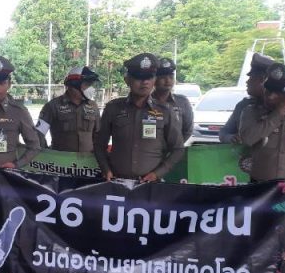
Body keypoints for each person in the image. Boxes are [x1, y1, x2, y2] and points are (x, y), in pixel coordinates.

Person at [94, 53, 184, 182]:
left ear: (154, 80)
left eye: (149, 77)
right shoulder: (113, 108)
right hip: (117, 182)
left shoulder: (165, 111)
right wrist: (105, 169)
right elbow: (99, 145)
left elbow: (178, 149)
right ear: (127, 80)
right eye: (139, 77)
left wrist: (158, 173)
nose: (145, 82)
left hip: (151, 185)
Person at [36, 67, 101, 153]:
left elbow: (99, 135)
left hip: (87, 160)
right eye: (87, 84)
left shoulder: (93, 106)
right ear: (74, 84)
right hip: (61, 160)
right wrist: (47, 153)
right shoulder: (52, 106)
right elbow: (38, 133)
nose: (91, 88)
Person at [220, 52, 275, 143]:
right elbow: (224, 132)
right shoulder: (243, 105)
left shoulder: (281, 107)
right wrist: (231, 138)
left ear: (263, 80)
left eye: (251, 78)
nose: (247, 82)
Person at [152, 58, 193, 142]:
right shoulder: (145, 101)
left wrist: (176, 146)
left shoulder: (182, 102)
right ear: (154, 80)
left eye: (171, 77)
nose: (168, 81)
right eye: (163, 78)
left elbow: (187, 130)